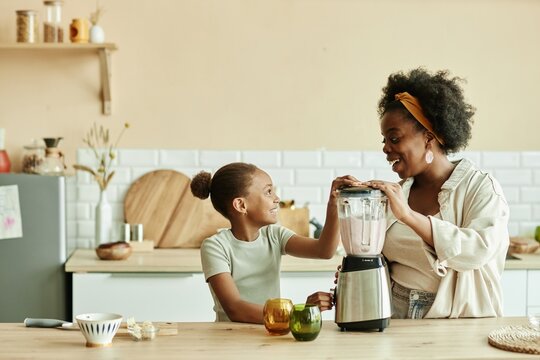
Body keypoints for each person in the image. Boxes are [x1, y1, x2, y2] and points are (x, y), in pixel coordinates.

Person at [308, 68, 510, 319]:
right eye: (383, 139)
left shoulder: (479, 187)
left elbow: (477, 251)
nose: (385, 148)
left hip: (459, 322)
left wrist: (408, 215)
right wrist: (362, 273)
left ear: (428, 137)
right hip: (397, 316)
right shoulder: (397, 192)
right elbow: (388, 256)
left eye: (393, 138)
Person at [190, 162, 359, 323]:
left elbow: (324, 250)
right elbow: (235, 309)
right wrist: (299, 312)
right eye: (268, 192)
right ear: (241, 205)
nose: (277, 198)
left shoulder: (274, 235)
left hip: (273, 331)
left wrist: (334, 205)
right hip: (230, 337)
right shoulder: (215, 246)